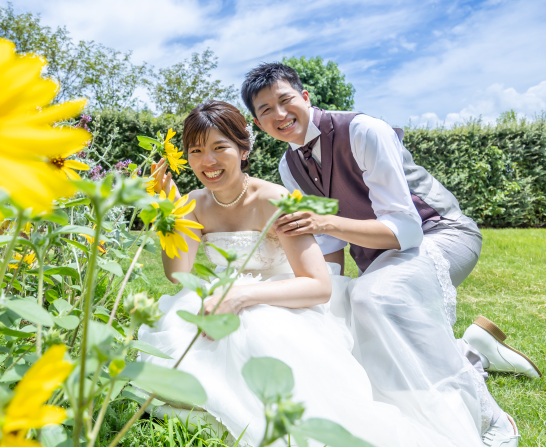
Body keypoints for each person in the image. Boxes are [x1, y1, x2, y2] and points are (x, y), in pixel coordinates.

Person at [138, 100, 484, 447]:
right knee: (185, 325)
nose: (207, 162)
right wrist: (172, 210)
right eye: (196, 151)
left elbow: (318, 286)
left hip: (286, 298)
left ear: (243, 150)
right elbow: (178, 273)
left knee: (257, 331)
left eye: (219, 148)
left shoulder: (275, 199)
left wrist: (242, 296)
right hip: (224, 293)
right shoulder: (194, 204)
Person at [240, 62, 539, 447]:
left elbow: (407, 229)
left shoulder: (364, 130)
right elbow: (329, 248)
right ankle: (470, 350)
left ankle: (492, 418)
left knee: (375, 298)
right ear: (259, 123)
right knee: (341, 306)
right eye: (266, 110)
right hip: (383, 261)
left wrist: (325, 222)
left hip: (440, 233)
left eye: (285, 100)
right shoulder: (289, 166)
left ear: (305, 97)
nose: (280, 114)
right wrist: (327, 297)